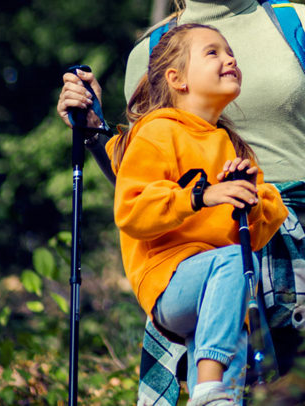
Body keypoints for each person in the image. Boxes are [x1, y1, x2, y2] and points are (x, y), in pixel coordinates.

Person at [57, 0, 305, 391]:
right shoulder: (156, 51)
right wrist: (93, 133)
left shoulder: (295, 24)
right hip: (224, 246)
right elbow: (141, 178)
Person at [112, 24, 288, 406]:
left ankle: (212, 393)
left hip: (225, 293)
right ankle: (208, 387)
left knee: (226, 393)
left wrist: (253, 202)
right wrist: (200, 196)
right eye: (213, 52)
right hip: (169, 280)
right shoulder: (157, 132)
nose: (230, 59)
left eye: (231, 52)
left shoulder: (232, 146)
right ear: (177, 79)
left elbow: (254, 235)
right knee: (234, 263)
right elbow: (131, 211)